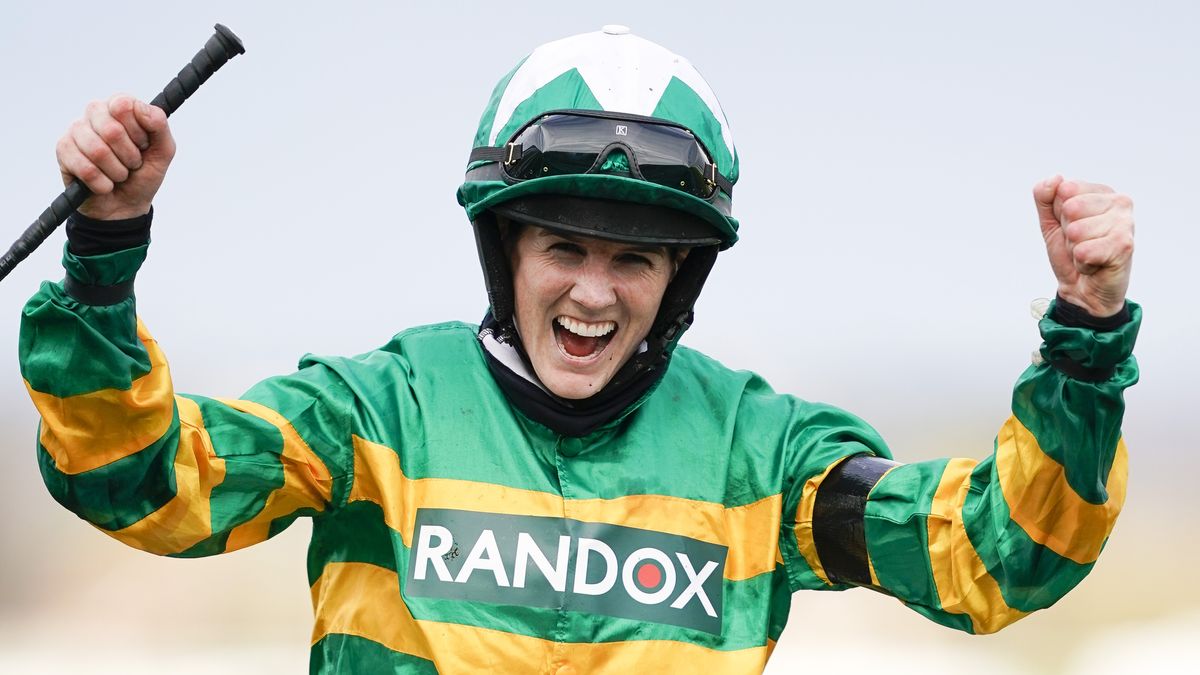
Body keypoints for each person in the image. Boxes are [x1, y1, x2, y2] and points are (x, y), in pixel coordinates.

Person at [20, 26, 1138, 673]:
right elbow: (139, 484)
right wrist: (106, 251)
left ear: (680, 280)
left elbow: (996, 560)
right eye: (564, 246)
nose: (594, 293)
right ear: (505, 250)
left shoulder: (768, 456)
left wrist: (1086, 339)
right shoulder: (372, 417)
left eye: (637, 261)